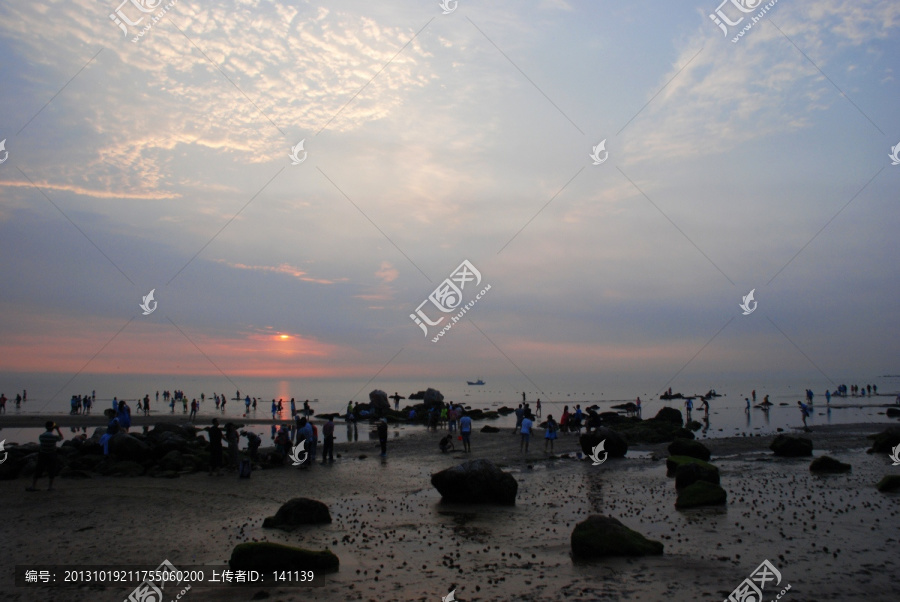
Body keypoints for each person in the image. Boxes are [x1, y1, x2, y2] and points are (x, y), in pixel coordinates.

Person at [28, 421, 64, 491]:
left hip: (42, 454)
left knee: (38, 469)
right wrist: (58, 429)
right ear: (53, 428)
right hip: (51, 454)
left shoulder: (41, 436)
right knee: (52, 470)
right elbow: (61, 437)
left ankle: (33, 486)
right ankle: (50, 487)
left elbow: (45, 435)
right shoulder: (54, 437)